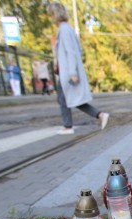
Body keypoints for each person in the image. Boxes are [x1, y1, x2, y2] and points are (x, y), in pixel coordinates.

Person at [47, 2, 109, 135]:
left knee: (66, 99)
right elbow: (79, 50)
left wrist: (72, 72)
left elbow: (71, 52)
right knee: (69, 99)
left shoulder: (64, 30)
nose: (51, 18)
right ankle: (99, 115)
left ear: (55, 15)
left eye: (51, 15)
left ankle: (68, 126)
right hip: (67, 71)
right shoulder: (68, 29)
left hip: (68, 73)